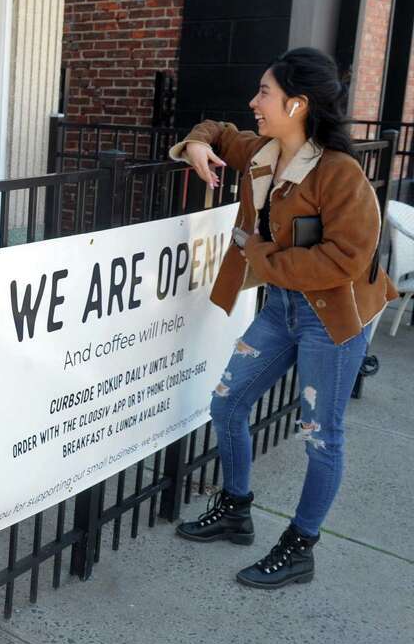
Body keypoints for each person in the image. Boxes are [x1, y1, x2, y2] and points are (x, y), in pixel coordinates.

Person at [170, 47, 398, 589]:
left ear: (297, 105)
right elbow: (219, 129)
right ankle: (235, 509)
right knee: (226, 402)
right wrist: (198, 144)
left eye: (264, 93)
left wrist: (262, 257)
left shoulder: (340, 175)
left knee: (321, 435)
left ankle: (300, 547)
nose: (254, 102)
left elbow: (348, 258)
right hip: (282, 308)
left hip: (334, 318)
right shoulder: (263, 152)